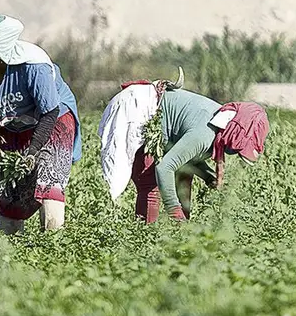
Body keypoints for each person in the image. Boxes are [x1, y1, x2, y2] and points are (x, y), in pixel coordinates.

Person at [0, 14, 83, 234]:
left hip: (52, 119)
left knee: (47, 179)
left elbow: (49, 112)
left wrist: (33, 152)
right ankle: (12, 253)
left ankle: (51, 247)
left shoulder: (34, 66)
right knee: (10, 188)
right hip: (11, 124)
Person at [98, 74, 268, 222]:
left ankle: (172, 235)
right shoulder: (205, 134)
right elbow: (165, 167)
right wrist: (174, 211)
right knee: (150, 186)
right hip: (136, 109)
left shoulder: (219, 126)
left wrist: (208, 177)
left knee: (183, 175)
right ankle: (145, 240)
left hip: (151, 113)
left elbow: (187, 159)